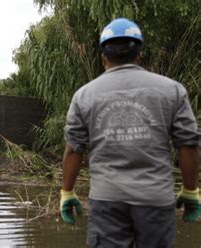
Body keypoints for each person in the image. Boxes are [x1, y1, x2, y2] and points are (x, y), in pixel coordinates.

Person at [59, 18, 200, 247]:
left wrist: (67, 191)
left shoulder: (84, 95)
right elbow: (188, 144)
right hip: (155, 199)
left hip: (106, 200)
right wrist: (190, 189)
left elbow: (75, 148)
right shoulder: (172, 90)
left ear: (103, 57)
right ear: (139, 54)